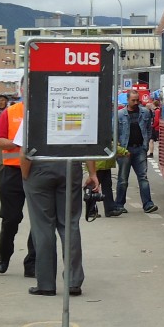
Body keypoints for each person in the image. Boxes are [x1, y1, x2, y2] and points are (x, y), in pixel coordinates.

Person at [15, 119, 101, 296]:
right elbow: (88, 144)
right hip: (70, 165)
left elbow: (25, 149)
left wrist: (26, 177)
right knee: (70, 224)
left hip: (39, 166)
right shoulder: (79, 111)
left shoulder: (34, 111)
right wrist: (92, 173)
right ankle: (74, 281)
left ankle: (46, 284)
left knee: (43, 226)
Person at [0, 91, 36, 276]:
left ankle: (32, 263)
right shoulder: (10, 113)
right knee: (10, 219)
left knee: (39, 221)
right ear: (23, 90)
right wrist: (18, 142)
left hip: (38, 172)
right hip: (12, 172)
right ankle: (4, 255)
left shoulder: (47, 111)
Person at [115, 95, 158, 214]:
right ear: (128, 100)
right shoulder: (120, 114)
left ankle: (148, 204)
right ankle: (119, 204)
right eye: (133, 100)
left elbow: (148, 128)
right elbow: (115, 132)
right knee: (123, 179)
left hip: (140, 149)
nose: (135, 102)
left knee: (143, 177)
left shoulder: (145, 113)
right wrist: (119, 149)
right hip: (125, 150)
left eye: (137, 100)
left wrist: (145, 145)